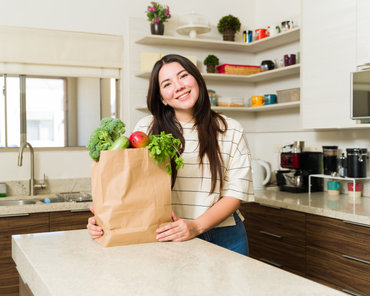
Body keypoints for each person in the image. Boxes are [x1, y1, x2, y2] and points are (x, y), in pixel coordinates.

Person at [87, 54, 254, 255]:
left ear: (197, 79)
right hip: (168, 233)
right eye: (167, 84)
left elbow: (236, 193)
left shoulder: (231, 129)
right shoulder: (146, 129)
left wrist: (196, 226)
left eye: (183, 76)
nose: (179, 86)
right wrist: (104, 218)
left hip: (225, 236)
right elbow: (131, 185)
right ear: (162, 98)